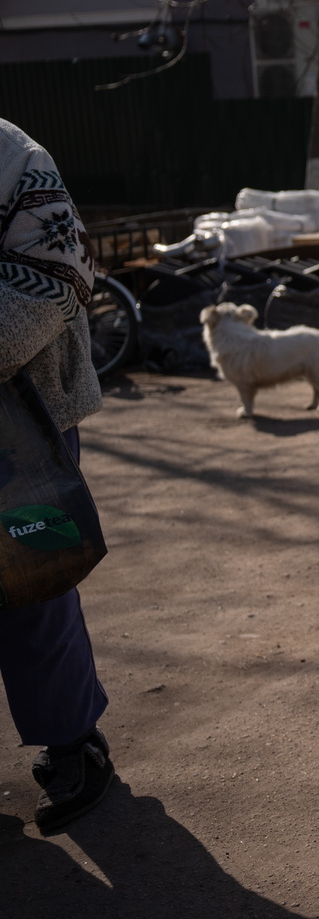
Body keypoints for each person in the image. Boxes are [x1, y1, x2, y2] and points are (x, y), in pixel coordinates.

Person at [0, 118, 115, 830]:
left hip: (20, 420)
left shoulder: (11, 155)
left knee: (33, 583)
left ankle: (76, 744)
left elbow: (57, 274)